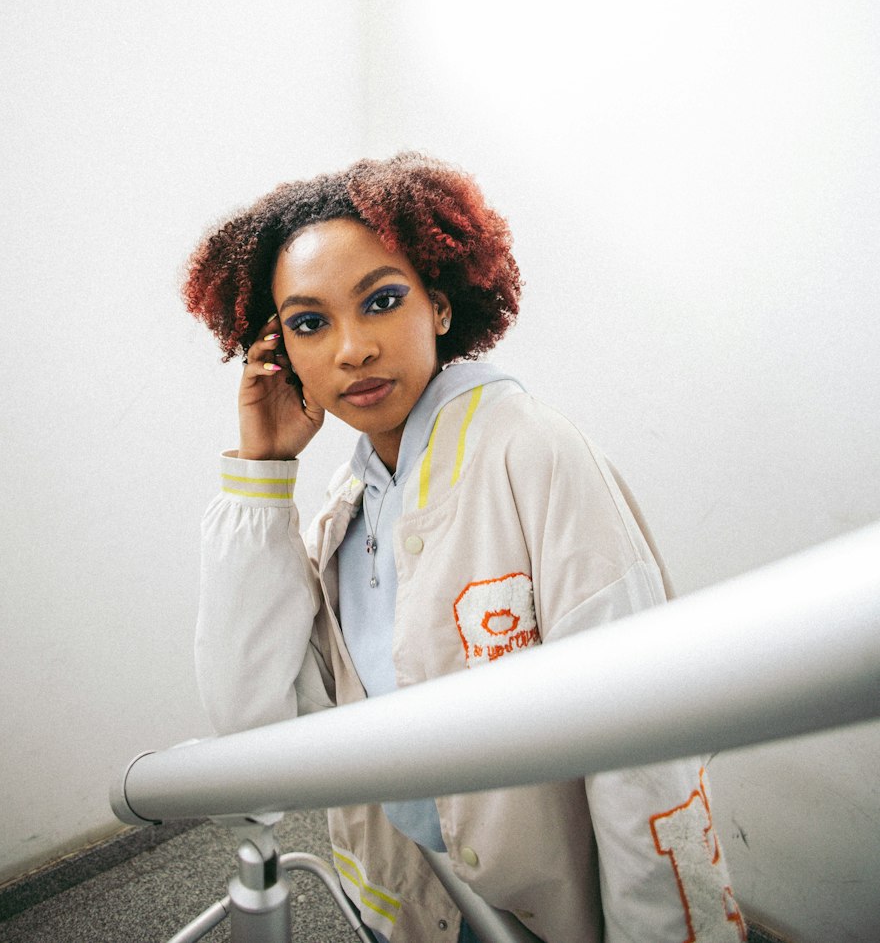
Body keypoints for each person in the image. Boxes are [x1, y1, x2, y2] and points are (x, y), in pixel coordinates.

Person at [184, 153, 746, 943]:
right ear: (282, 352)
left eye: (381, 301)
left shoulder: (533, 452)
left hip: (554, 915)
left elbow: (645, 756)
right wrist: (263, 473)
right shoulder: (341, 515)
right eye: (311, 323)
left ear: (441, 307)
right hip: (420, 902)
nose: (352, 349)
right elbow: (254, 733)